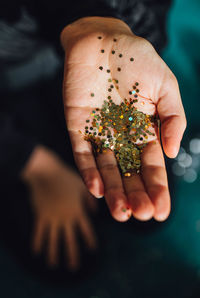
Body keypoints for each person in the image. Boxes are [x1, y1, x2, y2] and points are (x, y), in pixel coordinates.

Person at [0, 0, 186, 269]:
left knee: (146, 208)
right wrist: (34, 165)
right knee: (67, 263)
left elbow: (152, 17)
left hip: (88, 77)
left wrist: (100, 23)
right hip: (9, 108)